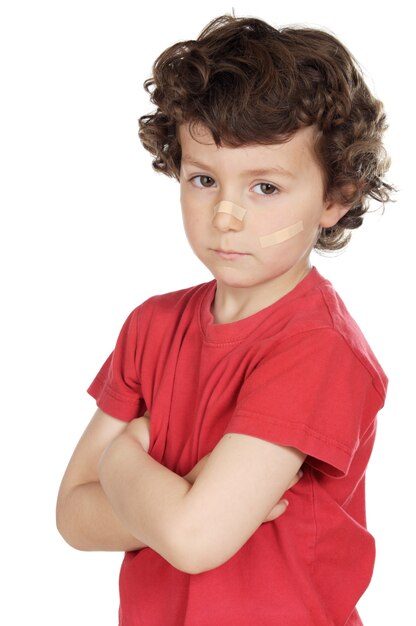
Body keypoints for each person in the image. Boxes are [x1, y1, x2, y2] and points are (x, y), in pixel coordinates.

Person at [56, 13, 396, 626]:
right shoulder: (151, 326)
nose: (227, 216)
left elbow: (194, 540)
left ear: (336, 197)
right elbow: (73, 518)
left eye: (265, 187)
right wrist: (180, 493)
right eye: (205, 179)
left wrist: (122, 460)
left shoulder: (318, 348)